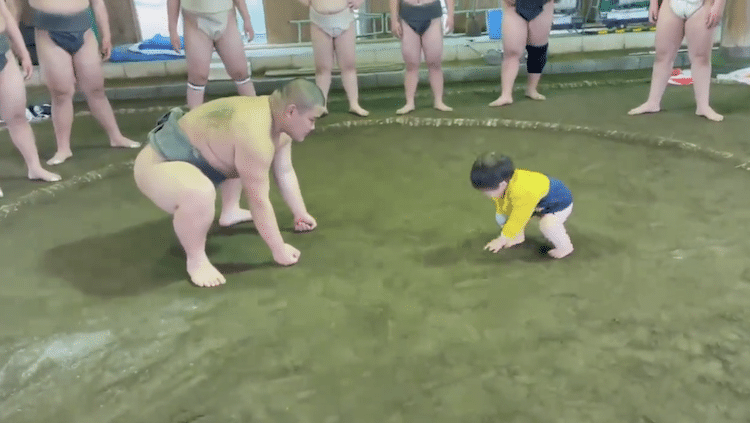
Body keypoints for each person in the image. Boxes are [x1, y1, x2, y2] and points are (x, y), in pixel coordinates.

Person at [133, 79, 326, 288]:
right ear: (291, 111)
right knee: (200, 193)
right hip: (158, 165)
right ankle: (196, 261)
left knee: (240, 159)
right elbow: (259, 201)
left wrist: (300, 213)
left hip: (195, 159)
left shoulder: (278, 126)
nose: (313, 127)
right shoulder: (256, 132)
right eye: (311, 120)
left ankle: (230, 210)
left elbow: (285, 171)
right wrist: (279, 250)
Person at [27, 0, 140, 165]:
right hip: (48, 31)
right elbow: (14, 6)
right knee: (61, 92)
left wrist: (106, 35)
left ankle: (116, 136)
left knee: (96, 89)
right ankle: (63, 148)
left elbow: (98, 3)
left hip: (84, 29)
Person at [0, 0, 60, 198]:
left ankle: (34, 167)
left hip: (2, 52)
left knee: (17, 115)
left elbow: (7, 17)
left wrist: (23, 52)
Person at [628, 0, 725, 121]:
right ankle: (652, 102)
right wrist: (653, 3)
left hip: (703, 4)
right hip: (671, 4)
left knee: (701, 57)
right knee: (662, 55)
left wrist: (718, 5)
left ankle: (703, 106)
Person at [470, 152, 574, 259]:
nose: (485, 194)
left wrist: (502, 239)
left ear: (502, 184)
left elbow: (519, 217)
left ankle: (565, 247)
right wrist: (506, 225)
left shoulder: (523, 191)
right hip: (537, 202)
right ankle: (517, 236)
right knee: (504, 217)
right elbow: (505, 207)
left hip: (558, 203)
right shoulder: (505, 182)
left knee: (547, 225)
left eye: (486, 191)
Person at [168, 0, 256, 110]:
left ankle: (256, 114)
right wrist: (172, 29)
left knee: (240, 71)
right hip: (194, 21)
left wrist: (246, 18)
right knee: (198, 76)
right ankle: (194, 118)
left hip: (226, 17)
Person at [298, 0, 369, 117]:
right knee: (322, 68)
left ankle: (354, 104)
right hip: (319, 20)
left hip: (344, 16)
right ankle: (322, 105)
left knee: (349, 65)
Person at [390, 0, 453, 115]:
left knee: (434, 61)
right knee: (411, 63)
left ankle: (438, 101)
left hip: (432, 14)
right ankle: (409, 102)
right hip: (407, 14)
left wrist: (451, 15)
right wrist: (394, 19)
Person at [489, 0, 554, 107]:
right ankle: (506, 95)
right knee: (512, 50)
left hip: (543, 4)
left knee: (538, 48)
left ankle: (531, 89)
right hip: (513, 5)